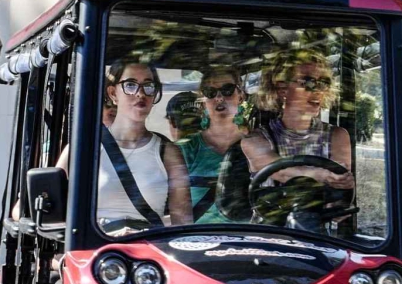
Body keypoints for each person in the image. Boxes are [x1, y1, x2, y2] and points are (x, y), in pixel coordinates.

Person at [90, 61, 192, 232]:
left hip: (146, 245)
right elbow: (57, 216)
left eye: (148, 86)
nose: (140, 93)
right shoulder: (85, 148)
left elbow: (182, 223)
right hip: (96, 244)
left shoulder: (168, 153)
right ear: (113, 93)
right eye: (130, 85)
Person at [240, 49, 355, 190]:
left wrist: (342, 182)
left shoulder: (337, 136)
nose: (318, 90)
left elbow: (340, 189)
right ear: (282, 89)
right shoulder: (254, 140)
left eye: (323, 83)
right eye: (308, 82)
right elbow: (281, 173)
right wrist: (323, 175)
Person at [176, 67, 248, 223]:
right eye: (210, 92)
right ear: (203, 101)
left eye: (227, 90)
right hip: (197, 236)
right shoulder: (185, 149)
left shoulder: (258, 146)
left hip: (249, 235)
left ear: (241, 96)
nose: (219, 97)